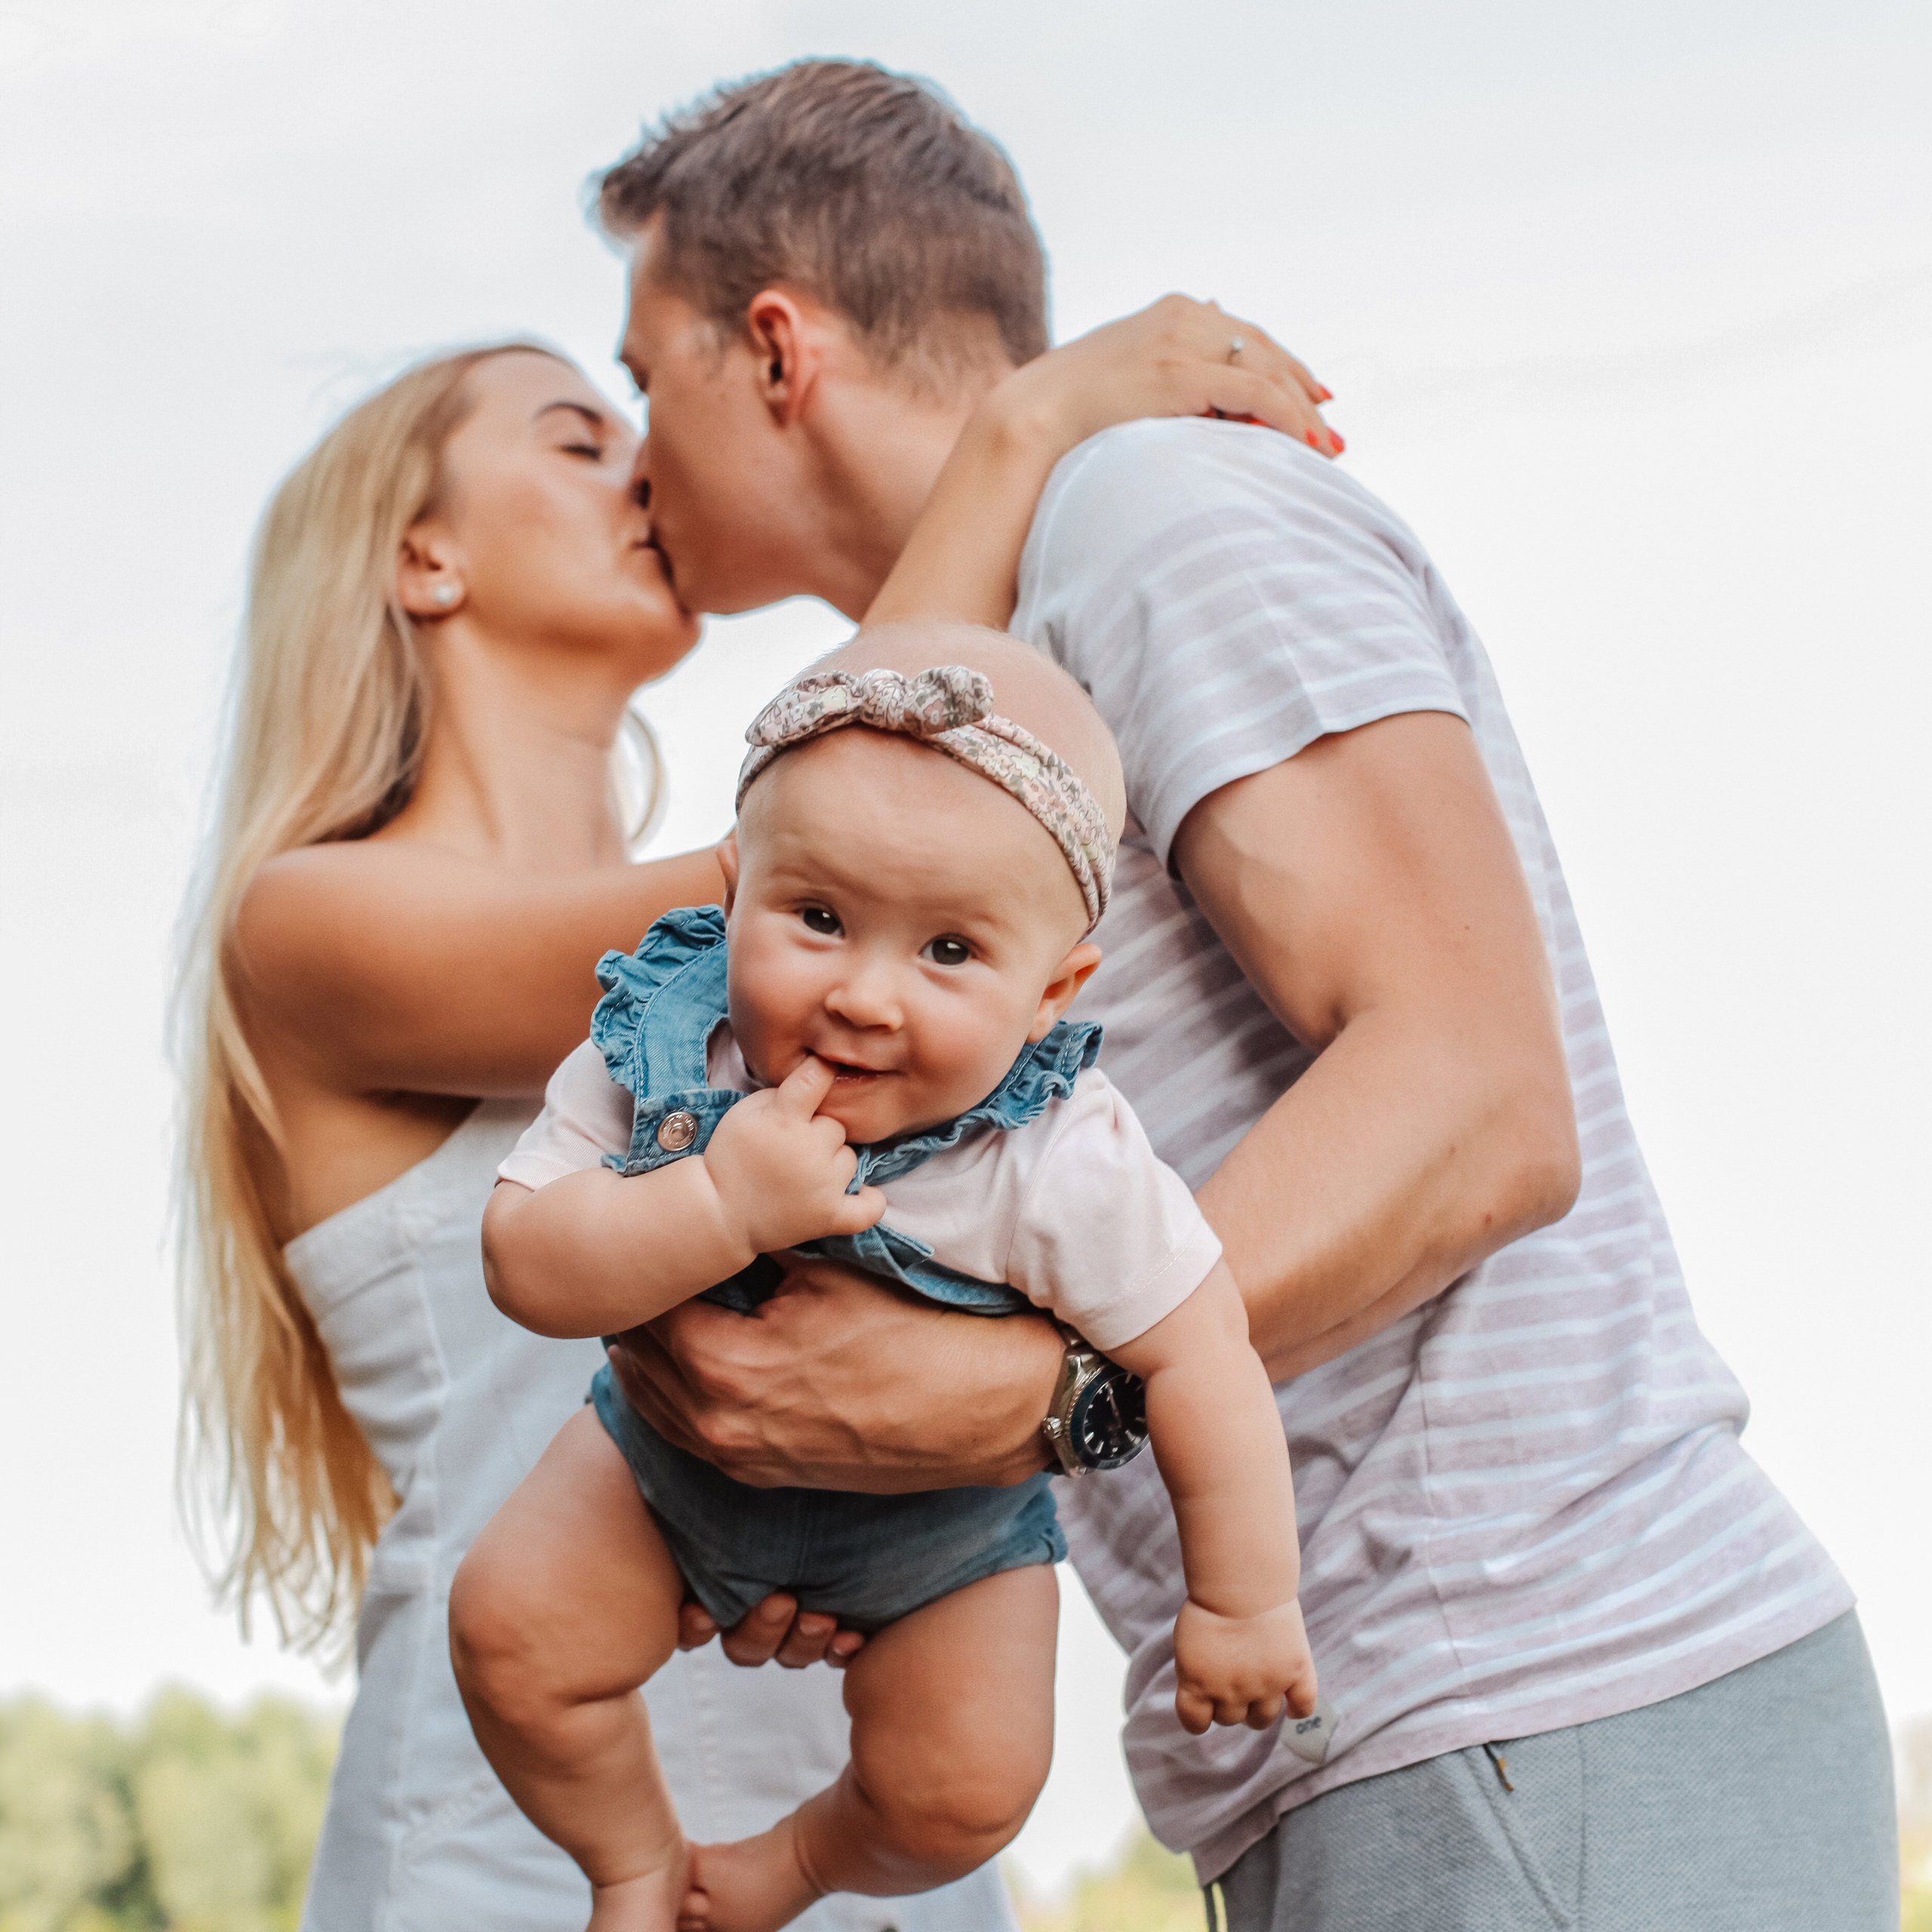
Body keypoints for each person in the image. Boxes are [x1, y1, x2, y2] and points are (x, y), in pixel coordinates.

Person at [589, 59, 1900, 1930]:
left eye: (645, 380)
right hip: (1400, 1746)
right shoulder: (938, 761)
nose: (634, 453)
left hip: (1535, 1693)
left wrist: (1004, 1400)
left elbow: (1473, 1100)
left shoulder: (1143, 516)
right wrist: (840, 1478)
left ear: (775, 350)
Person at [171, 305, 1335, 1923]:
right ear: (422, 555)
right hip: (516, 1844)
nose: (640, 464)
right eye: (578, 439)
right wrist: (1019, 426)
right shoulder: (314, 923)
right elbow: (885, 821)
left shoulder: (832, 909)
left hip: (875, 1796)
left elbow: (894, 832)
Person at [454, 629, 1318, 1931]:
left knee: (966, 1788)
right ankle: (633, 1862)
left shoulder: (1058, 1154)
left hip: (947, 1538)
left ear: (1054, 991)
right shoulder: (666, 1043)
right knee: (512, 1639)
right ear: (735, 888)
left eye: (951, 954)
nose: (864, 996)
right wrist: (714, 1201)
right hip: (664, 1475)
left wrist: (1244, 1596)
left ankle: (785, 1869)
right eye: (818, 919)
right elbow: (523, 1260)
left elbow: (1202, 1354)